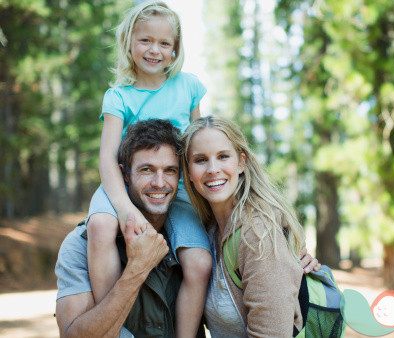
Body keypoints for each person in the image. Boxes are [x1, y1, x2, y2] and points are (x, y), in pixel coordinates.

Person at [86, 1, 211, 336]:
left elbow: (201, 147)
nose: (154, 50)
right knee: (99, 227)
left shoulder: (188, 86)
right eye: (145, 40)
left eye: (164, 43)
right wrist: (127, 210)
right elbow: (108, 159)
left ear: (175, 50)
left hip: (178, 188)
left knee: (199, 263)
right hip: (128, 186)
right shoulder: (118, 97)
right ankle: (112, 326)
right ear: (130, 42)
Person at [56, 119, 207, 337]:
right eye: (147, 170)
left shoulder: (196, 241)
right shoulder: (80, 245)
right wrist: (137, 269)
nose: (159, 182)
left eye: (170, 171)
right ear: (125, 175)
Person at [182, 115, 318, 337]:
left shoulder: (258, 234)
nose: (212, 169)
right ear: (188, 172)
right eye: (200, 160)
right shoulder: (207, 230)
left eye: (223, 156)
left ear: (241, 163)